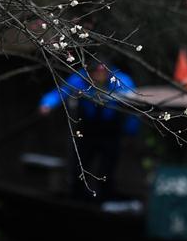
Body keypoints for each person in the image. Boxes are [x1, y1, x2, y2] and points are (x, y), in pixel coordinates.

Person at [38, 61, 139, 199]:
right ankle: (77, 194)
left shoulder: (121, 81)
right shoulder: (79, 79)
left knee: (108, 165)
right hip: (87, 128)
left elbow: (134, 107)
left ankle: (105, 195)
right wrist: (47, 104)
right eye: (95, 73)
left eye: (103, 73)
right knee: (81, 163)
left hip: (111, 130)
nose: (99, 76)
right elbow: (61, 92)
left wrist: (130, 132)